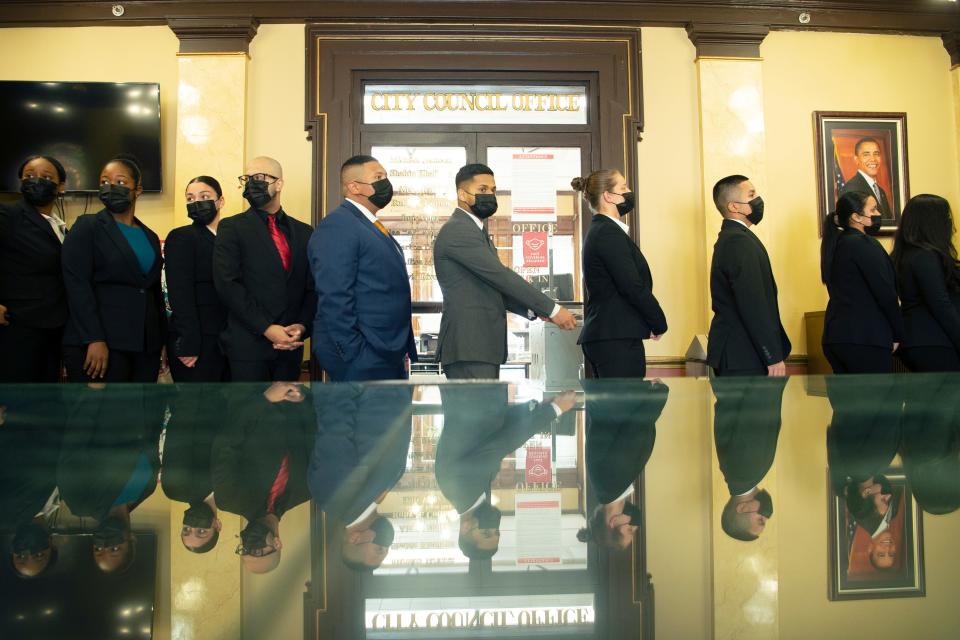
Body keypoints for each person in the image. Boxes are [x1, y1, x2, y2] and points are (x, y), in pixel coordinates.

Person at [433, 163, 577, 380]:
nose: (490, 195)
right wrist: (553, 309)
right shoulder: (459, 230)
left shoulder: (475, 230)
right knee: (476, 414)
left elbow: (489, 286)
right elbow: (501, 276)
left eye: (493, 190)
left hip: (479, 347)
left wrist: (533, 311)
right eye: (482, 190)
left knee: (488, 414)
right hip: (469, 345)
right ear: (463, 194)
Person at [436, 384, 575, 561]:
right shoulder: (477, 495)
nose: (494, 526)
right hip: (480, 389)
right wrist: (536, 408)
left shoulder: (462, 490)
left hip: (470, 383)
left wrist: (554, 410)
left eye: (487, 532)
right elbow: (497, 431)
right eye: (497, 532)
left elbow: (503, 443)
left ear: (465, 528)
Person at [309, 155, 417, 381]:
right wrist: (354, 351)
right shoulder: (338, 226)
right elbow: (335, 295)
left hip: (386, 351)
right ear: (354, 186)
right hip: (363, 355)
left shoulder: (369, 224)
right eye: (378, 177)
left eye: (386, 176)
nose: (385, 183)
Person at [61, 154, 167, 382]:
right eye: (104, 182)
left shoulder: (149, 236)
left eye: (120, 182)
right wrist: (94, 338)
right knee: (103, 416)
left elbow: (153, 292)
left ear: (137, 189)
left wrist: (161, 341)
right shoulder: (87, 226)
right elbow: (77, 285)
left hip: (144, 346)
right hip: (102, 344)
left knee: (142, 416)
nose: (110, 187)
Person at [213, 157, 316, 382]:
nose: (251, 183)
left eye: (258, 177)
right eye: (246, 179)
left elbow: (311, 288)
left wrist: (302, 326)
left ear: (279, 184)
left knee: (287, 416)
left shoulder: (304, 232)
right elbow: (228, 285)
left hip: (290, 348)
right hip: (248, 348)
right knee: (249, 416)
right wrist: (267, 328)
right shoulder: (231, 227)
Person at [308, 384, 414, 572]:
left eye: (380, 549)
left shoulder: (334, 497)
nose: (388, 543)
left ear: (354, 539)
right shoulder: (377, 497)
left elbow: (335, 421)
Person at [213, 382, 314, 574]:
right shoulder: (306, 490)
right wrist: (303, 400)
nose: (251, 546)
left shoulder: (228, 500)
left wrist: (264, 399)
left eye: (246, 550)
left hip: (249, 388)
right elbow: (312, 435)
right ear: (277, 544)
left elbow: (226, 444)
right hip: (293, 392)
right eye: (258, 551)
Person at [573, 170, 667, 378]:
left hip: (611, 335)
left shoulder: (603, 231)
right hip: (615, 338)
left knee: (616, 410)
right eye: (623, 187)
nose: (629, 192)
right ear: (608, 196)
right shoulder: (607, 233)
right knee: (625, 410)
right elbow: (631, 285)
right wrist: (657, 321)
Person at [707, 175, 790, 377]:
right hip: (743, 356)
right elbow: (753, 302)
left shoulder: (737, 237)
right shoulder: (738, 241)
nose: (758, 200)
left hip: (742, 353)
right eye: (751, 195)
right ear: (734, 206)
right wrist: (771, 354)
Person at [0, 155, 69, 382]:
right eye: (29, 176)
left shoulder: (60, 226)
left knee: (48, 399)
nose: (37, 181)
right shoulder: (8, 215)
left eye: (46, 177)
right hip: (18, 325)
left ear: (61, 186)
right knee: (21, 403)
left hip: (54, 326)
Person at [576, 379, 667, 550]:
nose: (635, 526)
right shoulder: (605, 489)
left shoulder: (613, 483)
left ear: (613, 521)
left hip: (617, 382)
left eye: (630, 530)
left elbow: (638, 426)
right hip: (614, 387)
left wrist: (660, 392)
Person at [820, 191, 903, 373]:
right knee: (875, 400)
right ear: (856, 217)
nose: (877, 214)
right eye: (872, 209)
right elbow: (886, 293)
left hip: (836, 336)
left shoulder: (836, 244)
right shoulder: (864, 244)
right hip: (866, 338)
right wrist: (898, 332)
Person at [164, 176, 230, 382]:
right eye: (190, 198)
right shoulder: (181, 237)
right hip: (197, 339)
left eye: (204, 196)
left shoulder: (231, 237)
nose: (197, 202)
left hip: (229, 336)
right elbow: (179, 293)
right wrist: (188, 343)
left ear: (220, 201)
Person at [891, 194, 960, 371]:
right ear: (933, 222)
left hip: (920, 340)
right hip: (933, 340)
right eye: (946, 217)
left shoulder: (905, 254)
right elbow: (940, 304)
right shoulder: (925, 256)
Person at [713, 376, 786, 541]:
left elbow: (757, 407)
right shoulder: (734, 474)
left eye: (761, 520)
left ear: (742, 508)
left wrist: (774, 370)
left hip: (751, 370)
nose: (767, 516)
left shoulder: (747, 471)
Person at [840, 138, 893, 220]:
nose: (873, 159)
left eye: (876, 154)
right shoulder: (852, 189)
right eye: (866, 154)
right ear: (856, 159)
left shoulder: (881, 191)